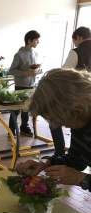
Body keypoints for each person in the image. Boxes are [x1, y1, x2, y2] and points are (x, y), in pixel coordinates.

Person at [17, 69, 91, 191]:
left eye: (61, 120)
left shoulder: (78, 120)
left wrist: (80, 178)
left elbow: (78, 172)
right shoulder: (80, 122)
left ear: (76, 109)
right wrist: (46, 163)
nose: (62, 126)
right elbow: (77, 160)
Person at [49, 26, 91, 157]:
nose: (75, 43)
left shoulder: (76, 52)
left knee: (56, 121)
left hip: (77, 95)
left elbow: (64, 72)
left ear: (78, 37)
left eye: (75, 40)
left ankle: (62, 153)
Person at [8, 30, 41, 137]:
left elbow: (35, 70)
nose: (38, 42)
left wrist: (38, 71)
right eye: (36, 40)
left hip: (31, 85)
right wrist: (25, 73)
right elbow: (11, 71)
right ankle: (11, 130)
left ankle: (24, 127)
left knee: (27, 109)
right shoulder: (19, 54)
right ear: (29, 40)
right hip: (21, 86)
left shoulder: (35, 53)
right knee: (16, 109)